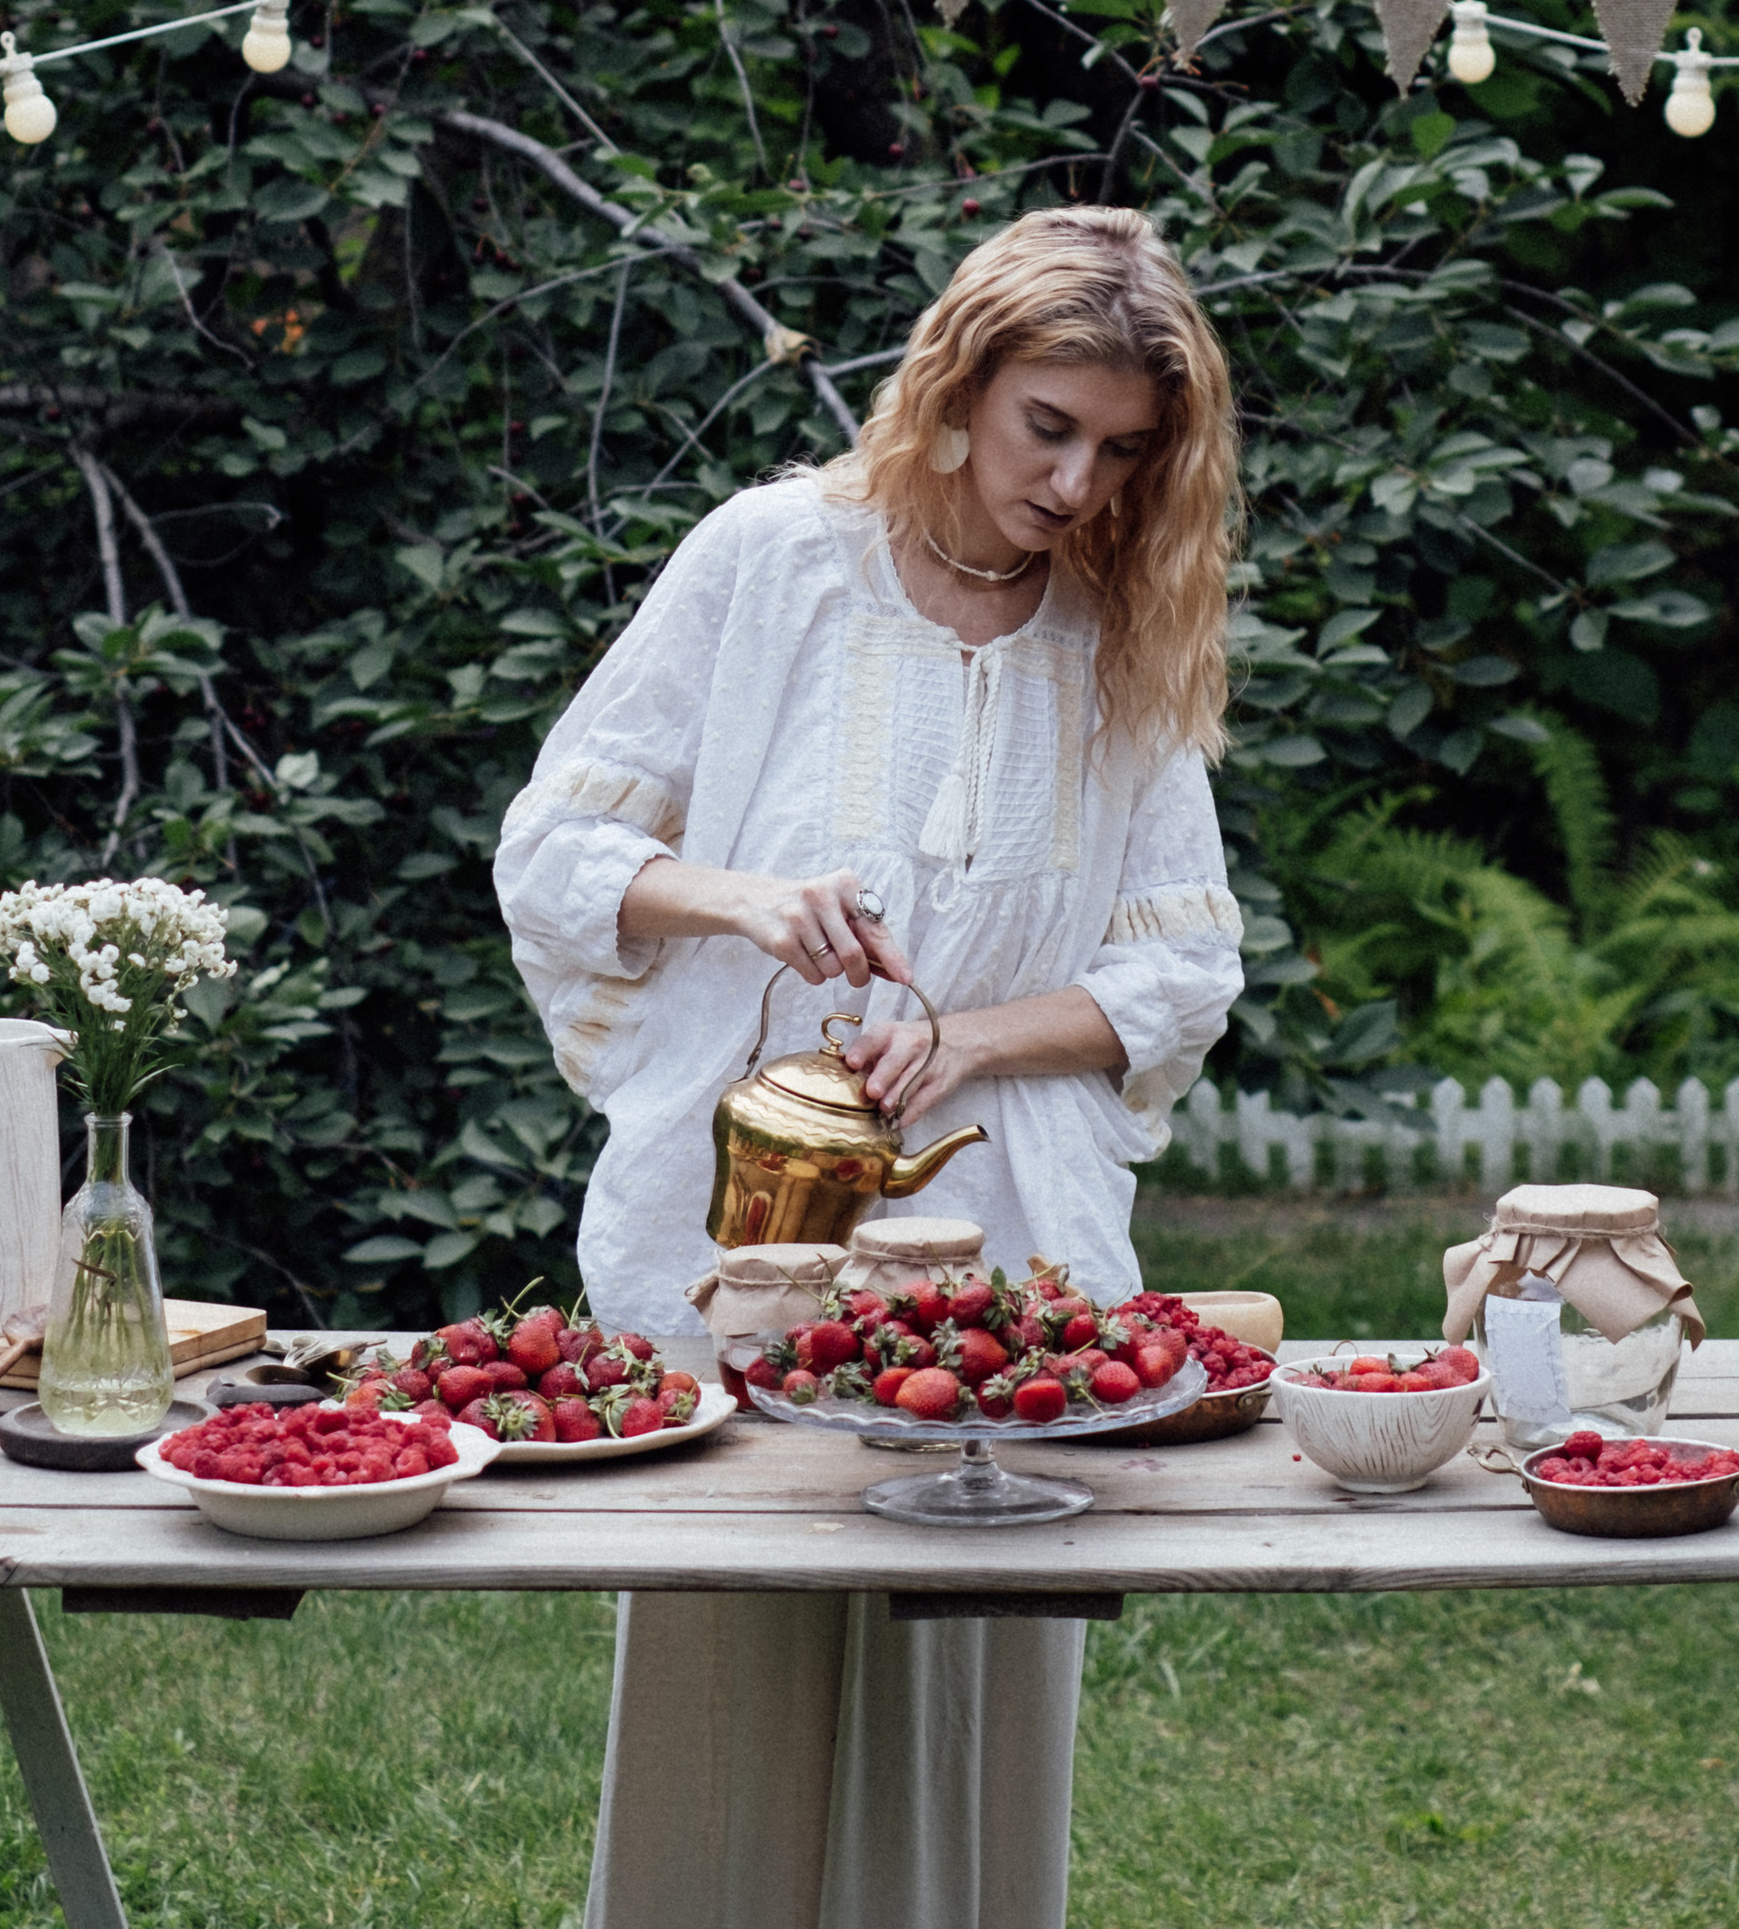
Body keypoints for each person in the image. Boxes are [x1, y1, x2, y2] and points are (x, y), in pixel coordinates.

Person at [494, 204, 1245, 1929]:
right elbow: (554, 855)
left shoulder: (1120, 625)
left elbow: (1183, 970)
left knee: (974, 1693)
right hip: (745, 1235)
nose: (1078, 482)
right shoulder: (775, 561)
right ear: (959, 384)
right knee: (727, 1682)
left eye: (1126, 449)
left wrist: (967, 1034)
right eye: (1048, 426)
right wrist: (749, 900)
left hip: (1011, 1260)